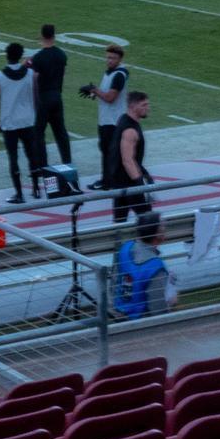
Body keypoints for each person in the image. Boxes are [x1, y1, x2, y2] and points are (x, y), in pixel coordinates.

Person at [0, 43, 48, 203]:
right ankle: (36, 189)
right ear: (21, 55)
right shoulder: (31, 74)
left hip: (9, 122)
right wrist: (35, 116)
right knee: (32, 155)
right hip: (27, 120)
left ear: (6, 55)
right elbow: (36, 97)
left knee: (13, 158)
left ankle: (19, 193)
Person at [83, 45, 132, 190]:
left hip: (113, 121)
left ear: (120, 59)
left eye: (113, 58)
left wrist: (95, 90)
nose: (109, 60)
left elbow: (110, 97)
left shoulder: (118, 75)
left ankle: (109, 182)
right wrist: (93, 94)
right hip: (106, 119)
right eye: (108, 57)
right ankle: (108, 180)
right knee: (106, 150)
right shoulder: (110, 73)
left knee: (112, 152)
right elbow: (105, 93)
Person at [30, 26, 75, 173]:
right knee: (61, 132)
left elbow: (35, 79)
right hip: (57, 95)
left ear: (41, 36)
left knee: (39, 134)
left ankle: (43, 167)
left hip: (43, 97)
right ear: (54, 36)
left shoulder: (38, 57)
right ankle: (68, 163)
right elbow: (63, 75)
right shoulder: (61, 55)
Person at [106, 91, 154, 224]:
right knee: (149, 222)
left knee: (119, 223)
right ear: (133, 106)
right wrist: (140, 183)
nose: (147, 108)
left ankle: (119, 245)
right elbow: (127, 160)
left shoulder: (123, 119)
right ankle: (150, 244)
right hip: (129, 183)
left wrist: (143, 171)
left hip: (119, 182)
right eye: (144, 105)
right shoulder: (130, 130)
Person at [112, 215, 174, 316]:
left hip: (119, 315)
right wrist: (171, 302)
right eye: (164, 227)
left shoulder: (125, 248)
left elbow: (114, 284)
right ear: (159, 235)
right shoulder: (156, 267)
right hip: (142, 324)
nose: (166, 228)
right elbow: (159, 312)